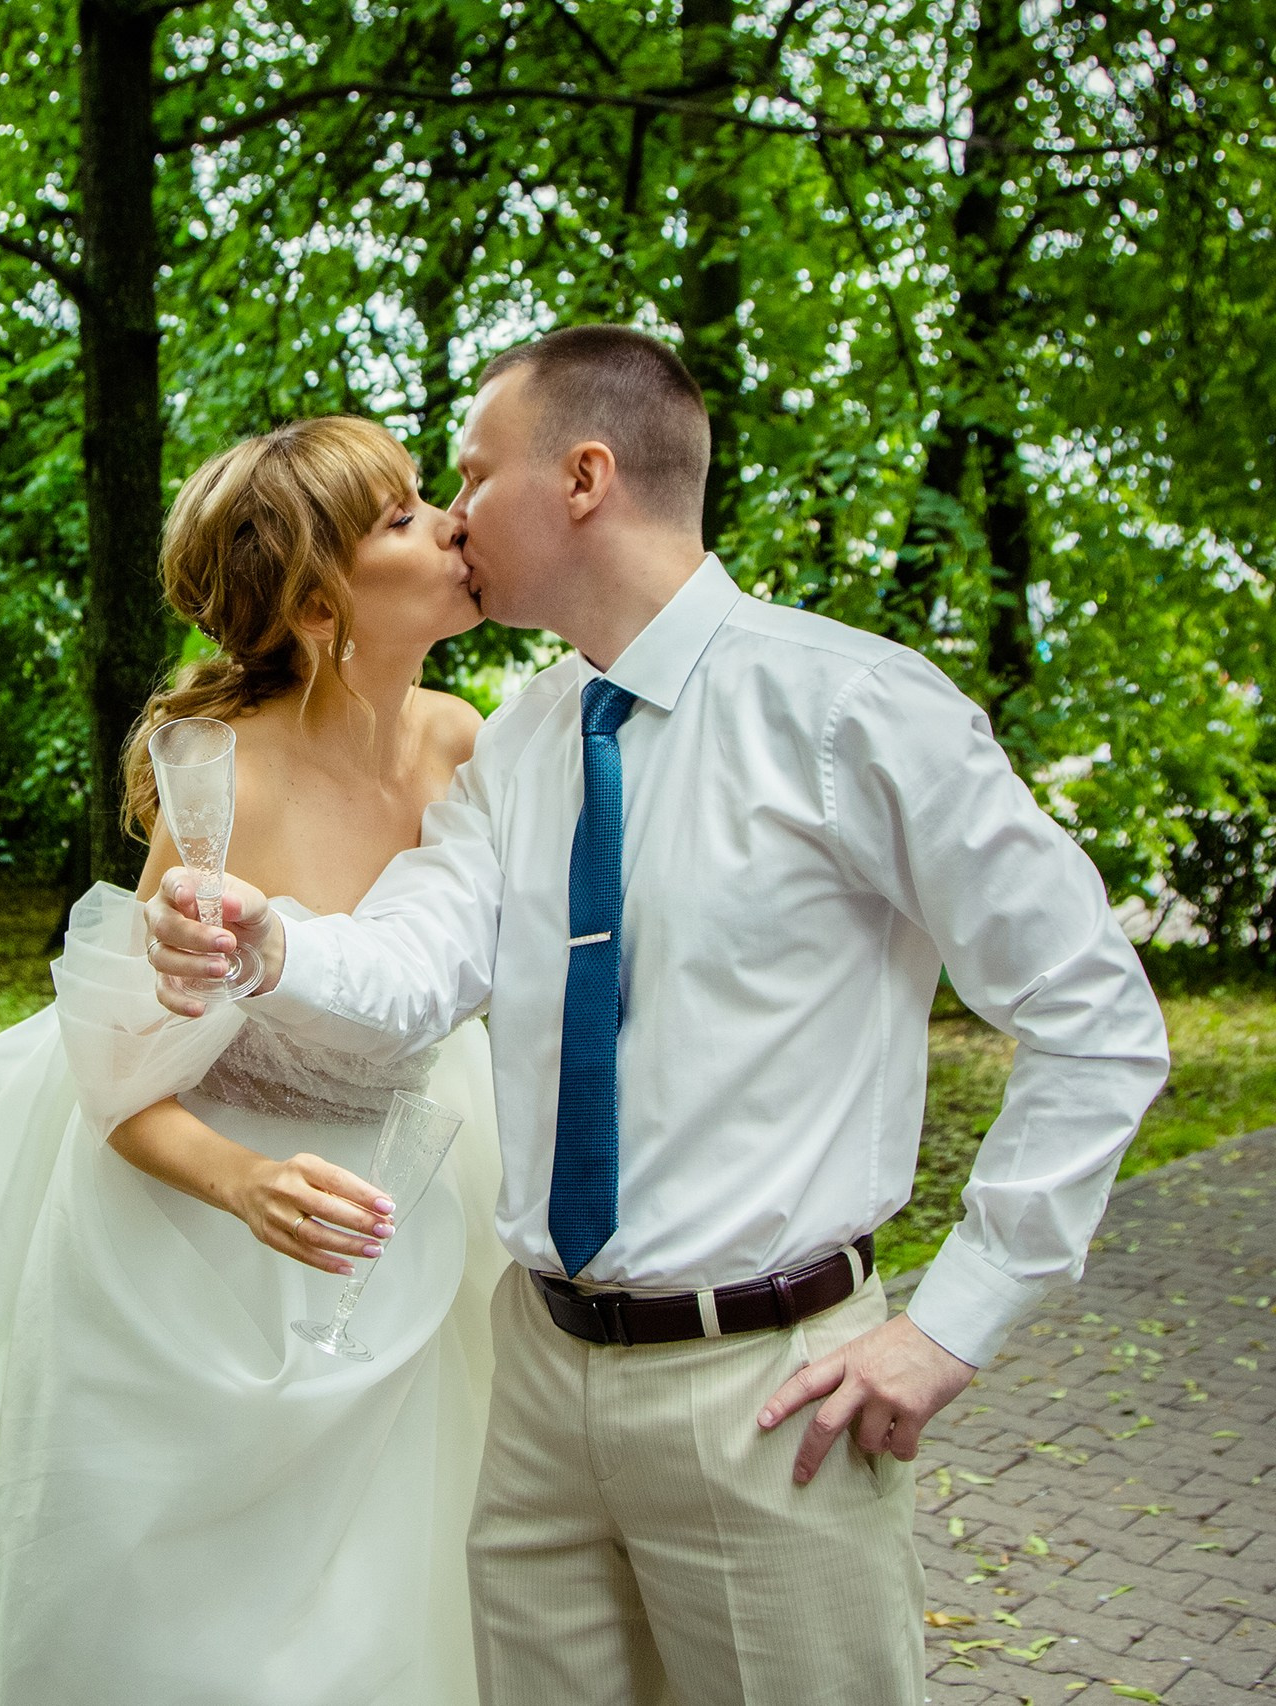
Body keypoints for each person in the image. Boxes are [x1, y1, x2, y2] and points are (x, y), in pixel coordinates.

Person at [146, 327, 1172, 1705]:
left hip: (769, 1396)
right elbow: (417, 960)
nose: (453, 515)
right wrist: (269, 937)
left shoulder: (852, 708)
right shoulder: (518, 741)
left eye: (471, 473)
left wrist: (953, 1321)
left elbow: (1098, 1017)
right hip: (539, 1383)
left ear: (583, 476)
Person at [0, 418, 506, 1702]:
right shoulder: (220, 781)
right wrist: (243, 1182)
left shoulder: (465, 740)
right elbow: (117, 1076)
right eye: (400, 515)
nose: (449, 521)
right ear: (317, 597)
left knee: (393, 1608)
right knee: (184, 1640)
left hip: (404, 1220)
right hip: (195, 1250)